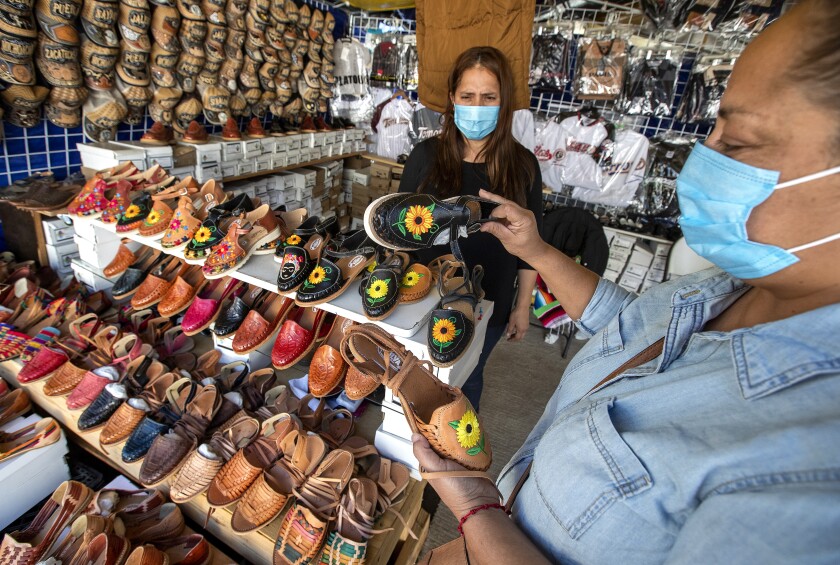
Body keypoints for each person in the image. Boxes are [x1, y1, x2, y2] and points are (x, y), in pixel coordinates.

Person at [412, 1, 840, 562]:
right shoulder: (725, 292)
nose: (702, 156)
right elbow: (630, 324)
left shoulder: (805, 474)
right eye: (714, 131)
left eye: (739, 144)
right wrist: (538, 249)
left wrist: (472, 506)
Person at [399, 46, 543, 411]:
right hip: (423, 292)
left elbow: (532, 248)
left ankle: (454, 451)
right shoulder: (425, 156)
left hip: (489, 298)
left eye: (488, 97)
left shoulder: (523, 165)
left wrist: (521, 306)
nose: (477, 106)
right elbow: (399, 232)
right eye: (468, 96)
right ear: (452, 98)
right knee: (412, 371)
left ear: (504, 101)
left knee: (467, 378)